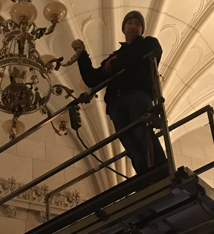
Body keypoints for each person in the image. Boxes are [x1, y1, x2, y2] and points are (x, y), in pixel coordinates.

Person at [71, 10, 166, 175]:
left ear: (142, 29)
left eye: (137, 24)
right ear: (123, 28)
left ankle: (163, 169)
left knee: (141, 132)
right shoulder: (114, 58)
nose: (133, 26)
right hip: (116, 102)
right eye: (129, 23)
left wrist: (118, 63)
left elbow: (147, 52)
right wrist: (82, 55)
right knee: (129, 141)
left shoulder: (148, 43)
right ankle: (144, 175)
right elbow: (93, 79)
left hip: (137, 95)